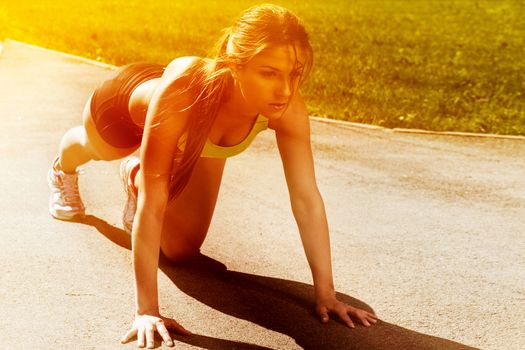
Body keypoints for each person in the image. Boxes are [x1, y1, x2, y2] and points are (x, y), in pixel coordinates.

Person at [48, 4, 378, 348]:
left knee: (180, 251)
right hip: (121, 110)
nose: (284, 89)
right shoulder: (183, 94)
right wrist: (147, 310)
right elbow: (154, 201)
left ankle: (135, 174)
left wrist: (326, 294)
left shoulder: (287, 107)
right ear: (236, 64)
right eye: (269, 73)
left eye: (293, 74)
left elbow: (306, 199)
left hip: (193, 132)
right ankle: (62, 168)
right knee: (98, 149)